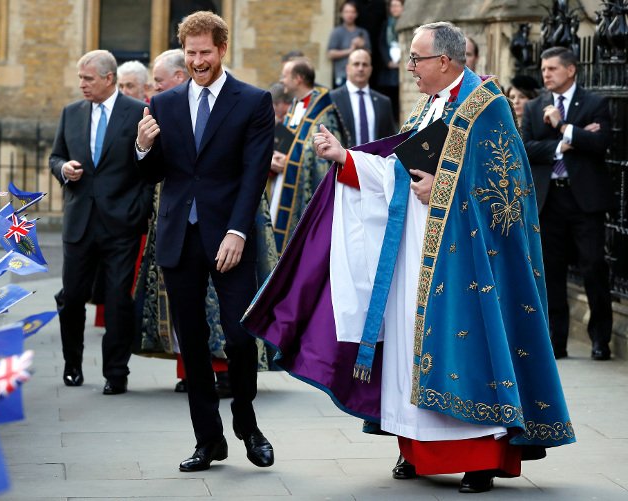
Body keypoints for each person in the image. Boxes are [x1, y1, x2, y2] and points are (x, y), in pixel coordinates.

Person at [244, 21, 574, 493]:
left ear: (444, 61)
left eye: (416, 59)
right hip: (415, 254)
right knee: (406, 353)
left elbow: (506, 193)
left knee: (465, 349)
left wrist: (442, 190)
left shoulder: (487, 105)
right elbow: (400, 169)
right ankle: (415, 449)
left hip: (464, 263)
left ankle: (479, 457)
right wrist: (346, 158)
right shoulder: (428, 106)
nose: (409, 66)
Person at [136, 10, 275, 472]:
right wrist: (142, 147)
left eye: (205, 53)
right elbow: (156, 174)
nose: (198, 61)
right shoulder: (165, 103)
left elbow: (254, 174)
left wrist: (238, 231)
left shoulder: (253, 101)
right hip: (180, 237)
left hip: (229, 235)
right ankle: (207, 440)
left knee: (238, 337)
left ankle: (247, 424)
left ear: (221, 50)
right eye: (191, 53)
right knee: (191, 342)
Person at [50, 49, 152, 394]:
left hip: (121, 223)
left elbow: (148, 165)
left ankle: (116, 372)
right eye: (80, 78)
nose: (82, 84)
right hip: (79, 222)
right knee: (72, 296)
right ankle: (72, 364)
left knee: (118, 300)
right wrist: (63, 170)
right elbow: (56, 155)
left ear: (109, 79)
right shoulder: (71, 112)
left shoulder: (138, 112)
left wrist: (137, 208)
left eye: (88, 78)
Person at [522, 46, 614, 361]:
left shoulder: (595, 103)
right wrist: (567, 143)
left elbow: (600, 143)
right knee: (552, 272)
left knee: (593, 268)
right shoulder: (534, 107)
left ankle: (601, 340)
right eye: (543, 69)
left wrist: (563, 126)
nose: (545, 74)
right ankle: (556, 342)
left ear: (571, 70)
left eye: (552, 69)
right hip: (550, 200)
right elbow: (526, 148)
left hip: (585, 201)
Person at [270, 57, 342, 253]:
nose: (282, 81)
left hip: (303, 192)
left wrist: (290, 161)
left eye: (285, 76)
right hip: (281, 184)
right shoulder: (296, 105)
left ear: (298, 79)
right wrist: (273, 158)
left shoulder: (323, 112)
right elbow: (284, 142)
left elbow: (321, 158)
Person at [329, 48, 396, 148]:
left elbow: (390, 140)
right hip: (343, 161)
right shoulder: (332, 99)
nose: (361, 68)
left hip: (375, 162)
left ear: (370, 69)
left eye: (365, 64)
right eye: (356, 64)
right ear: (347, 68)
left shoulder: (384, 102)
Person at [327, 1, 372, 88]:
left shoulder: (362, 32)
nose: (349, 15)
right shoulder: (337, 32)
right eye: (347, 12)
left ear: (356, 14)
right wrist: (350, 50)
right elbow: (330, 53)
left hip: (360, 75)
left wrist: (362, 46)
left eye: (352, 12)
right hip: (342, 74)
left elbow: (369, 54)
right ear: (341, 14)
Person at [377, 0, 403, 119]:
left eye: (397, 6)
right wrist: (388, 61)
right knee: (388, 94)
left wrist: (401, 62)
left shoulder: (406, 24)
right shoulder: (386, 24)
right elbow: (382, 44)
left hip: (402, 67)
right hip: (388, 67)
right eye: (392, 6)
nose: (394, 9)